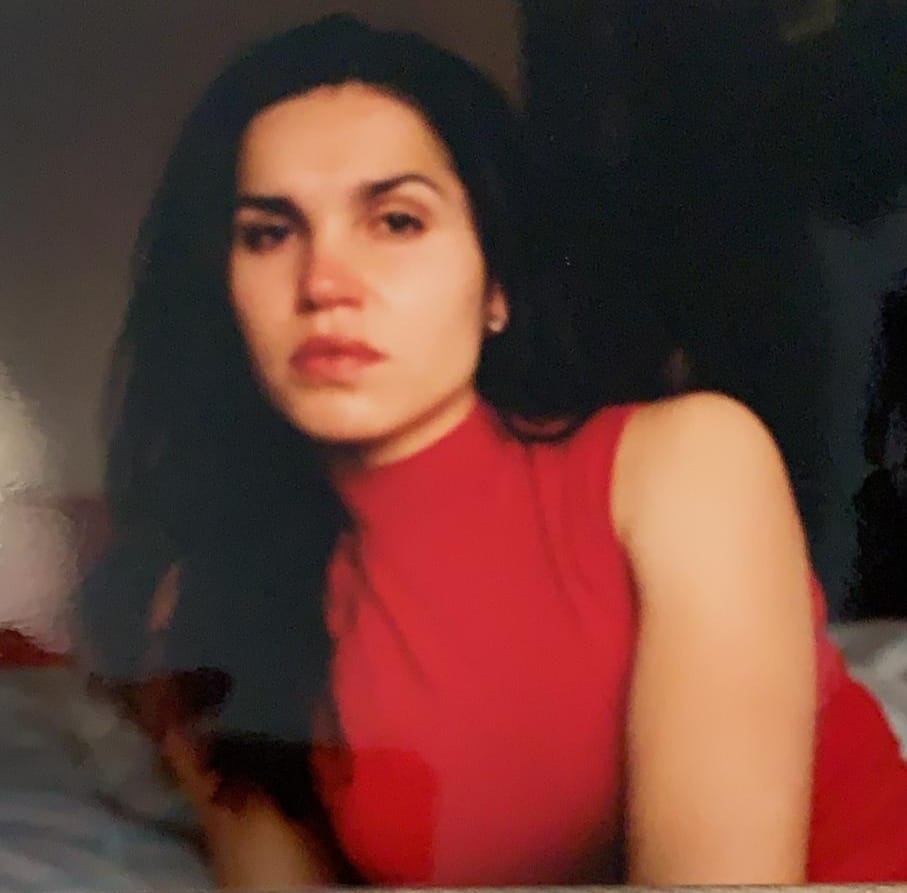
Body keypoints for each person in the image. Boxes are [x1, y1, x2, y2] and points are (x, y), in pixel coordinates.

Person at [78, 14, 907, 889]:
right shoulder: (205, 605)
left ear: (495, 287)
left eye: (396, 221)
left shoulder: (685, 464)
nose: (323, 282)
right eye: (269, 233)